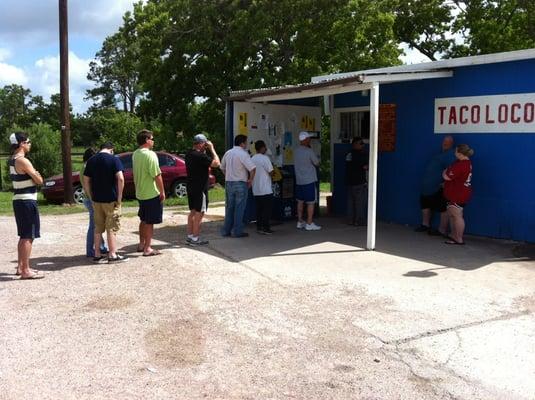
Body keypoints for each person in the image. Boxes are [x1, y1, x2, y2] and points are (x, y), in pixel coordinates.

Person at [83, 142, 128, 263]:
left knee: (98, 228)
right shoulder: (114, 159)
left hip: (97, 200)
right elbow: (120, 178)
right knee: (111, 227)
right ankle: (112, 254)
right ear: (111, 150)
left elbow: (86, 179)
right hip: (111, 199)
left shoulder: (91, 160)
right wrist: (119, 197)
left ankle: (97, 254)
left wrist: (91, 195)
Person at [9, 132, 44, 279]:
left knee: (23, 236)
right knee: (28, 236)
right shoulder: (23, 160)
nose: (30, 144)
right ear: (22, 143)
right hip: (27, 200)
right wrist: (36, 174)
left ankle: (20, 267)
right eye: (28, 142)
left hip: (19, 199)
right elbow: (39, 180)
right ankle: (26, 270)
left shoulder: (12, 159)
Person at [132, 129, 165, 256]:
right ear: (146, 140)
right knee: (150, 222)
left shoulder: (135, 154)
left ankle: (141, 244)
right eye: (152, 138)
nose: (153, 141)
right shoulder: (150, 155)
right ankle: (148, 248)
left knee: (143, 219)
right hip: (151, 193)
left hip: (140, 192)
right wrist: (162, 191)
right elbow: (157, 175)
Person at [415, 135, 455, 236]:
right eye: (444, 141)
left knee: (443, 208)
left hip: (438, 187)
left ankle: (442, 230)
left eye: (448, 142)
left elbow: (452, 171)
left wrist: (445, 183)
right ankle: (425, 225)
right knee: (425, 206)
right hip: (427, 187)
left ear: (452, 144)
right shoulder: (440, 154)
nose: (445, 143)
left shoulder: (451, 155)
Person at [185, 133, 220, 246]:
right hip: (200, 188)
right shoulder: (200, 156)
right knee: (200, 213)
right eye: (205, 144)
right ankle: (195, 239)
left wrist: (204, 150)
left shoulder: (189, 154)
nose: (206, 146)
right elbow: (216, 163)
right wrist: (212, 149)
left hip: (191, 187)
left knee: (193, 212)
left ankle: (190, 236)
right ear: (201, 144)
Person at [220, 134, 256, 238]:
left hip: (229, 183)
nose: (246, 144)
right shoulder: (243, 154)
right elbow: (252, 169)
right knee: (239, 208)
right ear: (242, 143)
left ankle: (226, 231)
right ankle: (237, 231)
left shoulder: (228, 153)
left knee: (230, 208)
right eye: (246, 142)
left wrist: (227, 175)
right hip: (240, 183)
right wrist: (250, 180)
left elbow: (222, 167)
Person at [443, 144, 474, 245]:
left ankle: (458, 238)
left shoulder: (461, 165)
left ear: (460, 154)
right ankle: (454, 235)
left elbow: (447, 176)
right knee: (453, 215)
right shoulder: (465, 162)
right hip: (458, 192)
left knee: (457, 216)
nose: (454, 153)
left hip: (458, 194)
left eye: (456, 151)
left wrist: (444, 173)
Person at [81, 148, 108, 258]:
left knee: (98, 223)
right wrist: (93, 199)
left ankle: (101, 247)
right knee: (94, 226)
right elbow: (88, 185)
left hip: (89, 198)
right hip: (91, 199)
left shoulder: (86, 166)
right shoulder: (88, 166)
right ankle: (90, 250)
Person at [294, 131, 321, 231]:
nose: (310, 140)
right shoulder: (309, 151)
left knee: (300, 201)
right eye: (308, 138)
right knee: (310, 202)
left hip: (299, 181)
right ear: (305, 140)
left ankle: (300, 221)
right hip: (309, 180)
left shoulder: (296, 151)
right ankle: (309, 223)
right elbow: (317, 163)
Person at [251, 140, 274, 235]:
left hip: (256, 189)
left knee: (259, 210)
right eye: (265, 147)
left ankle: (259, 227)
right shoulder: (265, 158)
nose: (266, 149)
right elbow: (271, 172)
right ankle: (266, 228)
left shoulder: (252, 158)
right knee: (266, 210)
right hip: (266, 189)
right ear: (262, 147)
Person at [345, 137, 368, 226]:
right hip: (359, 181)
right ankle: (359, 220)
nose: (363, 145)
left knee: (350, 202)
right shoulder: (361, 155)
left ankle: (350, 220)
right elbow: (365, 167)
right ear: (355, 144)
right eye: (361, 143)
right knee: (360, 202)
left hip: (349, 181)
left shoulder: (349, 154)